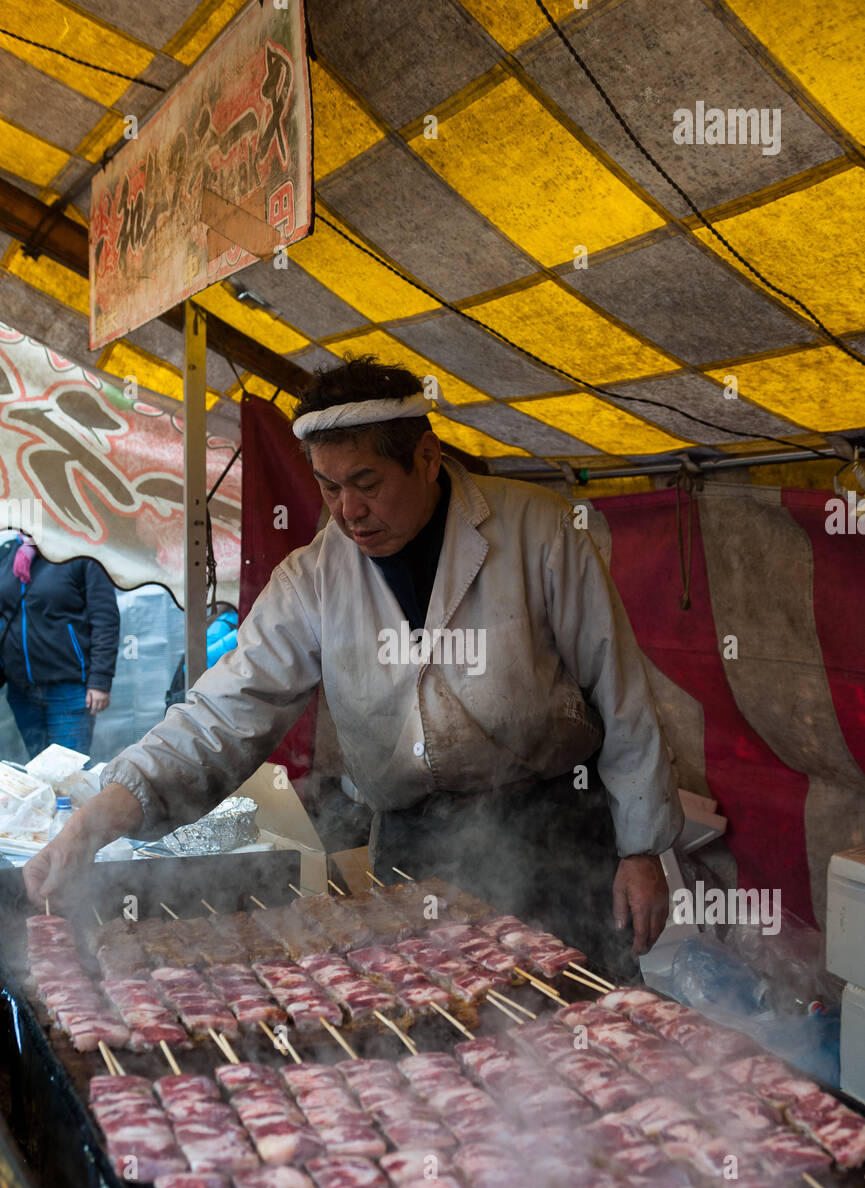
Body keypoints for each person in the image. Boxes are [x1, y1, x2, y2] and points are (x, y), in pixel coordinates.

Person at [23, 357, 683, 963]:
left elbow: (619, 693)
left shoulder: (538, 532)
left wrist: (641, 849)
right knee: (435, 1037)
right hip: (414, 842)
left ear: (425, 458)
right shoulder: (312, 579)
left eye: (366, 483)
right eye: (328, 486)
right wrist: (90, 825)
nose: (347, 510)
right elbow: (220, 718)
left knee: (579, 1023)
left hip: (556, 828)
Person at [0, 531, 119, 758]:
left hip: (68, 689)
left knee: (69, 773)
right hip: (21, 690)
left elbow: (105, 619)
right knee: (39, 771)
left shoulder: (78, 551)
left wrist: (100, 680)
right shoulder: (6, 553)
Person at [164, 602, 239, 711]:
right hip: (194, 677)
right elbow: (205, 658)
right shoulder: (233, 620)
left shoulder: (223, 618)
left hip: (189, 676)